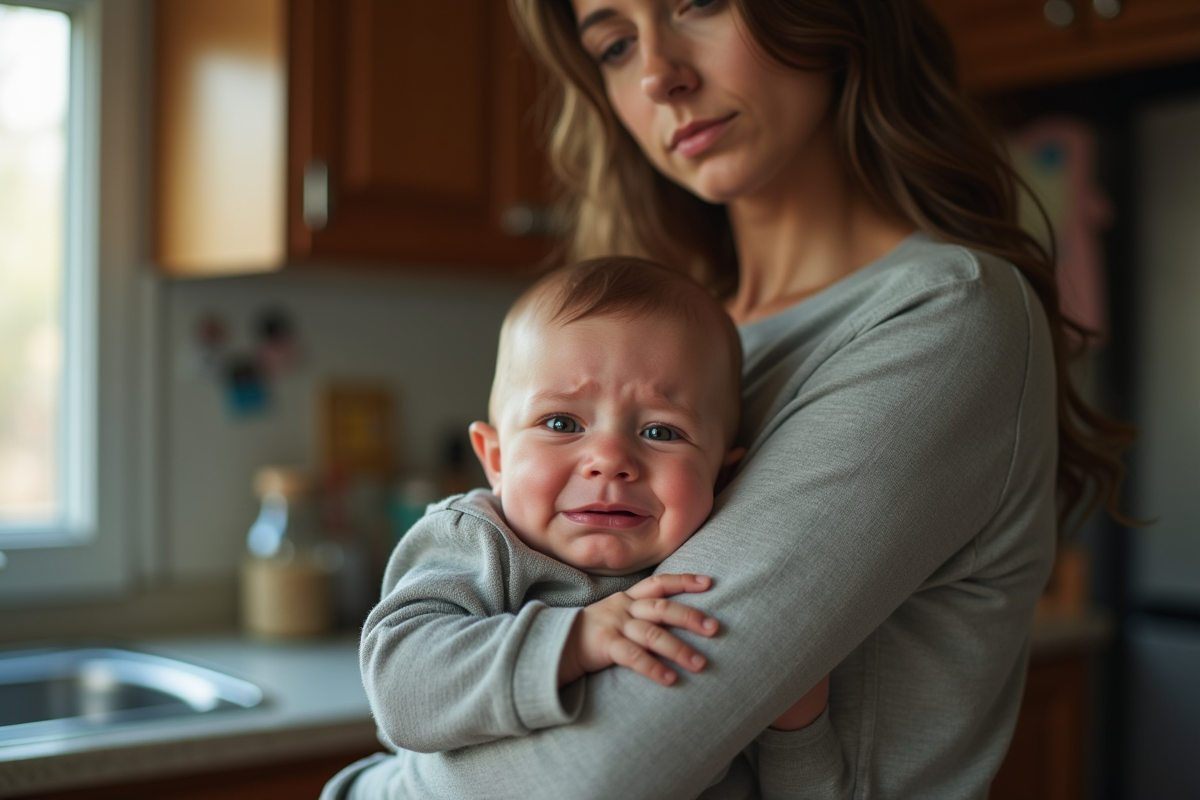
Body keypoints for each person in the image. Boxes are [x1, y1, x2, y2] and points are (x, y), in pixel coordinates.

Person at [329, 0, 1134, 797]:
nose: (658, 75)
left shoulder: (940, 314)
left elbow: (592, 778)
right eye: (613, 45)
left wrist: (377, 788)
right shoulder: (676, 355)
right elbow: (411, 681)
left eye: (701, 3)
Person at [322, 257, 845, 800]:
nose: (610, 459)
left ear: (725, 475)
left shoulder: (718, 579)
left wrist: (796, 731)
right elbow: (402, 692)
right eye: (562, 423)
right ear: (495, 459)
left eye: (662, 430)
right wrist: (573, 640)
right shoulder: (477, 540)